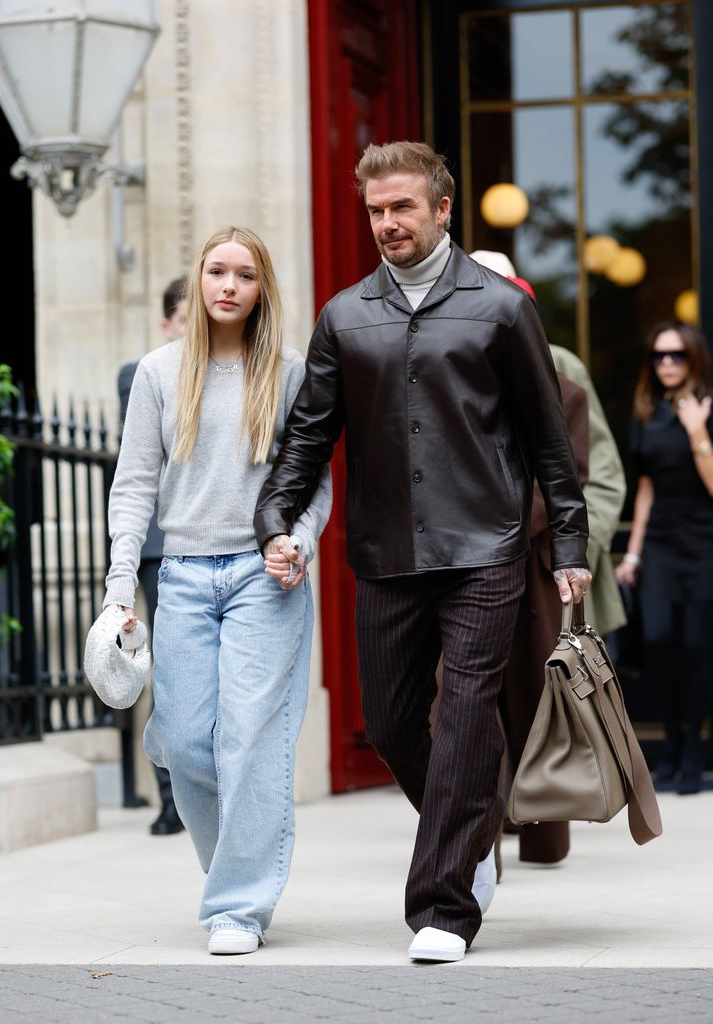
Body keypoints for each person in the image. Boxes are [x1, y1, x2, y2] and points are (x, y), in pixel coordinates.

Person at [254, 141, 590, 962]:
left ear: (443, 210)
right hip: (387, 552)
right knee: (393, 722)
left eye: (403, 207)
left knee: (469, 708)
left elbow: (550, 440)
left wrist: (569, 545)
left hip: (486, 546)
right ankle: (471, 835)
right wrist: (274, 516)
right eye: (375, 210)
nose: (387, 223)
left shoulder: (502, 309)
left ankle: (443, 906)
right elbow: (307, 435)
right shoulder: (344, 315)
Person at [103, 226, 332, 955]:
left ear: (263, 289)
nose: (229, 285)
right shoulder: (159, 372)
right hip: (184, 576)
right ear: (198, 281)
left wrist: (301, 540)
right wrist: (117, 586)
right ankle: (235, 870)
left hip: (264, 579)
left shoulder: (291, 374)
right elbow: (134, 482)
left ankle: (235, 907)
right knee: (189, 745)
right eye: (216, 272)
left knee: (251, 742)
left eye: (245, 275)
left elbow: (315, 481)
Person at [468, 258, 627, 867]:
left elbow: (573, 478)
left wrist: (579, 550)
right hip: (466, 564)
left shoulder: (564, 382)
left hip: (535, 564)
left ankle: (543, 831)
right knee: (465, 698)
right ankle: (481, 830)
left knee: (539, 698)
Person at [616, 320, 713, 796]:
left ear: (693, 358)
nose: (667, 364)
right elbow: (646, 489)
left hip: (704, 543)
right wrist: (632, 554)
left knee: (696, 650)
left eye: (676, 355)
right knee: (658, 644)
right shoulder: (646, 411)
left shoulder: (706, 408)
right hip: (659, 545)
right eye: (659, 356)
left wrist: (698, 433)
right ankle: (670, 751)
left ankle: (694, 755)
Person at [117, 276, 188, 836]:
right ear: (168, 322)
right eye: (186, 320)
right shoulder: (143, 374)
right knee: (165, 668)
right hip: (159, 551)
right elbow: (142, 466)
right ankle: (169, 796)